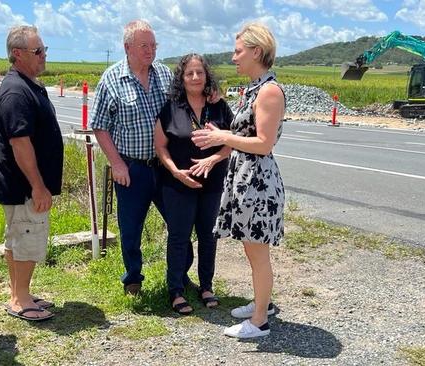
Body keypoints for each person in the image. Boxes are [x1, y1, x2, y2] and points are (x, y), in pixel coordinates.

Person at [192, 22, 285, 338]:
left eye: (238, 51)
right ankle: (264, 304)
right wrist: (218, 138)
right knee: (252, 249)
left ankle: (259, 321)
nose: (234, 58)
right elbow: (245, 135)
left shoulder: (270, 91)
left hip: (257, 183)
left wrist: (222, 135)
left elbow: (263, 143)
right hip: (247, 179)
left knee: (257, 252)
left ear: (256, 51)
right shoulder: (256, 87)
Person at [90, 20, 177, 295]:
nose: (150, 51)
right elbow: (100, 125)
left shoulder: (164, 75)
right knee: (130, 229)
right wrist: (116, 163)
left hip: (164, 166)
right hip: (131, 168)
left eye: (153, 45)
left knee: (180, 222)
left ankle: (178, 277)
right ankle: (133, 280)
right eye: (144, 46)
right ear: (127, 47)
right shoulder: (112, 79)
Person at [0, 25, 63, 322]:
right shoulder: (16, 92)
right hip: (24, 186)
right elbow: (20, 144)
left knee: (18, 239)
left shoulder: (26, 84)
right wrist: (38, 186)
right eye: (38, 51)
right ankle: (20, 299)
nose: (43, 55)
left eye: (43, 49)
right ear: (17, 54)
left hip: (23, 185)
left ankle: (20, 292)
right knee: (28, 239)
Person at [154, 54, 233, 315]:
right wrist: (176, 172)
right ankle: (175, 290)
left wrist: (212, 160)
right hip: (178, 184)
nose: (196, 77)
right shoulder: (170, 108)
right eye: (190, 74)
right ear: (182, 78)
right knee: (179, 237)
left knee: (208, 236)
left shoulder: (219, 106)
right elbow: (160, 147)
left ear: (206, 75)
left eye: (200, 72)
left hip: (212, 183)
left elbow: (232, 142)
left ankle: (206, 286)